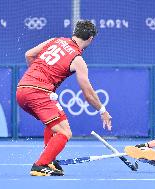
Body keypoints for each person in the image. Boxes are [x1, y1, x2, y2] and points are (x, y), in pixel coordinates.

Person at [16, 20, 112, 176]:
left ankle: (50, 159)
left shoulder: (56, 40)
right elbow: (88, 93)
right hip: (38, 92)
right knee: (65, 132)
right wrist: (102, 110)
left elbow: (29, 54)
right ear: (90, 39)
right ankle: (40, 165)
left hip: (22, 89)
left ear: (75, 32)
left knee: (55, 123)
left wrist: (36, 77)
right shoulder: (78, 60)